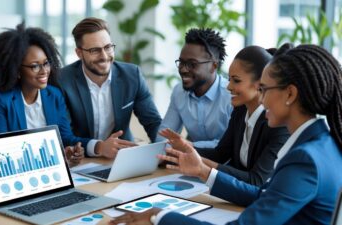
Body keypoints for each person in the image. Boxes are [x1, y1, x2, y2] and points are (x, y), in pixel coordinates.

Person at [111, 43, 342, 225]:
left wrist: (160, 217)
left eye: (265, 90)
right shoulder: (323, 143)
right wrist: (203, 171)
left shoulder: (305, 160)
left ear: (290, 94)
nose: (261, 99)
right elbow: (264, 195)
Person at [179, 46, 288, 185]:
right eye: (229, 79)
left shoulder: (278, 124)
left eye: (236, 80)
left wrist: (202, 166)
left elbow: (257, 180)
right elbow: (221, 154)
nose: (228, 86)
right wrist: (185, 149)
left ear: (261, 83)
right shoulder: (240, 111)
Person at [59, 17, 161, 159]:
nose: (104, 56)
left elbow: (153, 122)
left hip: (122, 157)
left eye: (108, 47)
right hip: (82, 162)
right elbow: (63, 136)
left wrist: (164, 148)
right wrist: (99, 147)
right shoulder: (62, 81)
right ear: (79, 53)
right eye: (95, 50)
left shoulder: (132, 75)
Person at [0, 23, 83, 167]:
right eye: (35, 66)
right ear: (17, 71)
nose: (44, 71)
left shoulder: (54, 95)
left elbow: (65, 137)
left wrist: (72, 151)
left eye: (46, 63)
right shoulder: (2, 99)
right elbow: (2, 148)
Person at [156, 28, 232, 149]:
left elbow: (229, 145)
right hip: (190, 163)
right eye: (181, 62)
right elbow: (162, 136)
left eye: (192, 64)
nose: (183, 69)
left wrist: (188, 145)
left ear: (213, 66)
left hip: (224, 165)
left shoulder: (231, 95)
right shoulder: (179, 92)